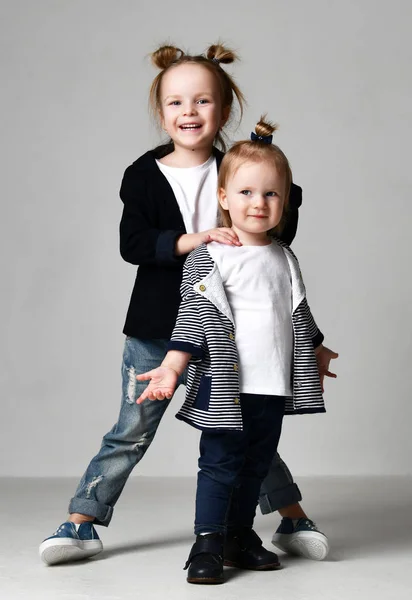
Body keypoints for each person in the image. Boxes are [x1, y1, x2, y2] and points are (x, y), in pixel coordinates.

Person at [39, 44, 338, 566]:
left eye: (202, 101)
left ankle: (290, 517)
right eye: (176, 103)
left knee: (245, 425)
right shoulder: (143, 174)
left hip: (236, 332)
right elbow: (133, 244)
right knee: (133, 427)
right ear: (162, 113)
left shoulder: (242, 166)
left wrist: (264, 195)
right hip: (160, 326)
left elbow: (284, 218)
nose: (189, 112)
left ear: (224, 110)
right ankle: (82, 521)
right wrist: (195, 238)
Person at [136, 116, 335, 584]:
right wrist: (171, 366)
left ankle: (239, 535)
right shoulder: (211, 256)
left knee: (255, 464)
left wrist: (318, 348)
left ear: (285, 203)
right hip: (227, 386)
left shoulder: (284, 256)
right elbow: (192, 318)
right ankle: (207, 540)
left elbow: (297, 309)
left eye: (271, 194)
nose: (259, 203)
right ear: (223, 198)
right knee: (220, 464)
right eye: (246, 192)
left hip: (271, 384)